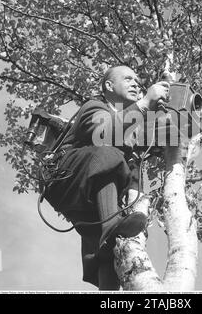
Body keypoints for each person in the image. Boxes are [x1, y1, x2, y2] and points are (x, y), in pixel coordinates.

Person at [44, 65, 170, 290]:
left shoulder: (131, 123)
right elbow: (104, 135)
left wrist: (170, 115)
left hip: (87, 193)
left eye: (137, 81)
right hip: (65, 176)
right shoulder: (95, 107)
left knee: (106, 252)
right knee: (109, 153)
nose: (136, 83)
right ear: (108, 86)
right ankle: (110, 224)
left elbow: (158, 141)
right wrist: (144, 104)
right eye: (128, 78)